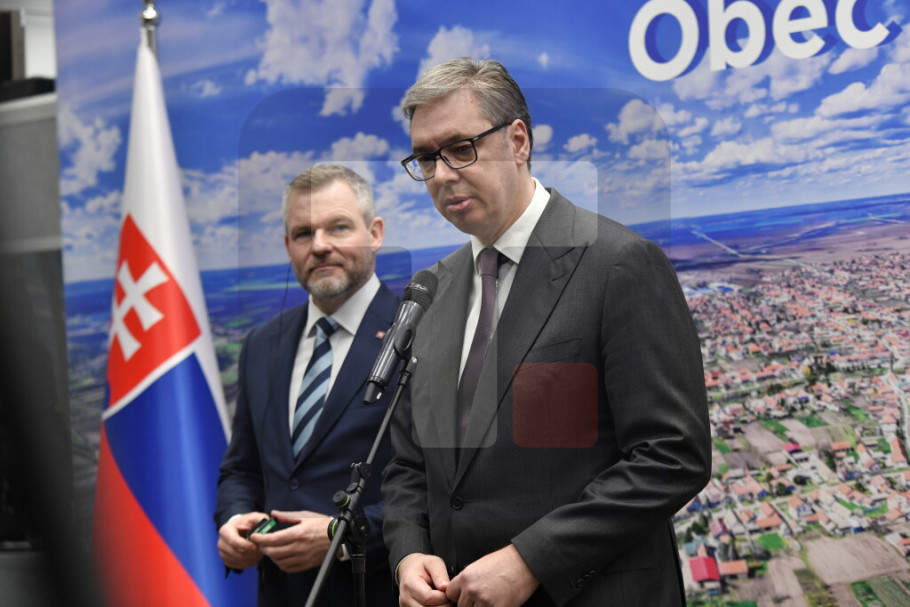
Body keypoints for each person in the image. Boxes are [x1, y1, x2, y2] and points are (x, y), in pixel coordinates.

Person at [381, 58, 712, 606]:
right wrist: (408, 552)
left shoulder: (619, 263)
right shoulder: (430, 290)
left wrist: (531, 559)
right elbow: (409, 463)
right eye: (426, 158)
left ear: (517, 142)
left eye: (460, 148)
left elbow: (672, 455)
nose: (440, 175)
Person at [216, 164, 398, 606]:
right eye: (303, 234)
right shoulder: (261, 344)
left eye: (338, 227)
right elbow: (243, 468)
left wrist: (345, 535)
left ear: (375, 233)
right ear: (288, 247)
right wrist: (235, 519)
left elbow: (443, 489)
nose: (319, 245)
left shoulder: (420, 334)